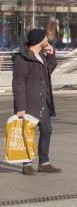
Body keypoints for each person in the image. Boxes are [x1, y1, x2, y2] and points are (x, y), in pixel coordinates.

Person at [12, 29, 61, 176]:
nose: (47, 38)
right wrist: (20, 108)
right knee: (28, 133)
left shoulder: (41, 56)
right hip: (28, 103)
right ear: (40, 39)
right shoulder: (23, 59)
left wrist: (51, 55)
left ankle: (44, 163)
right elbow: (18, 85)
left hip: (43, 102)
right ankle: (27, 164)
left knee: (47, 130)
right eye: (45, 36)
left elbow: (48, 71)